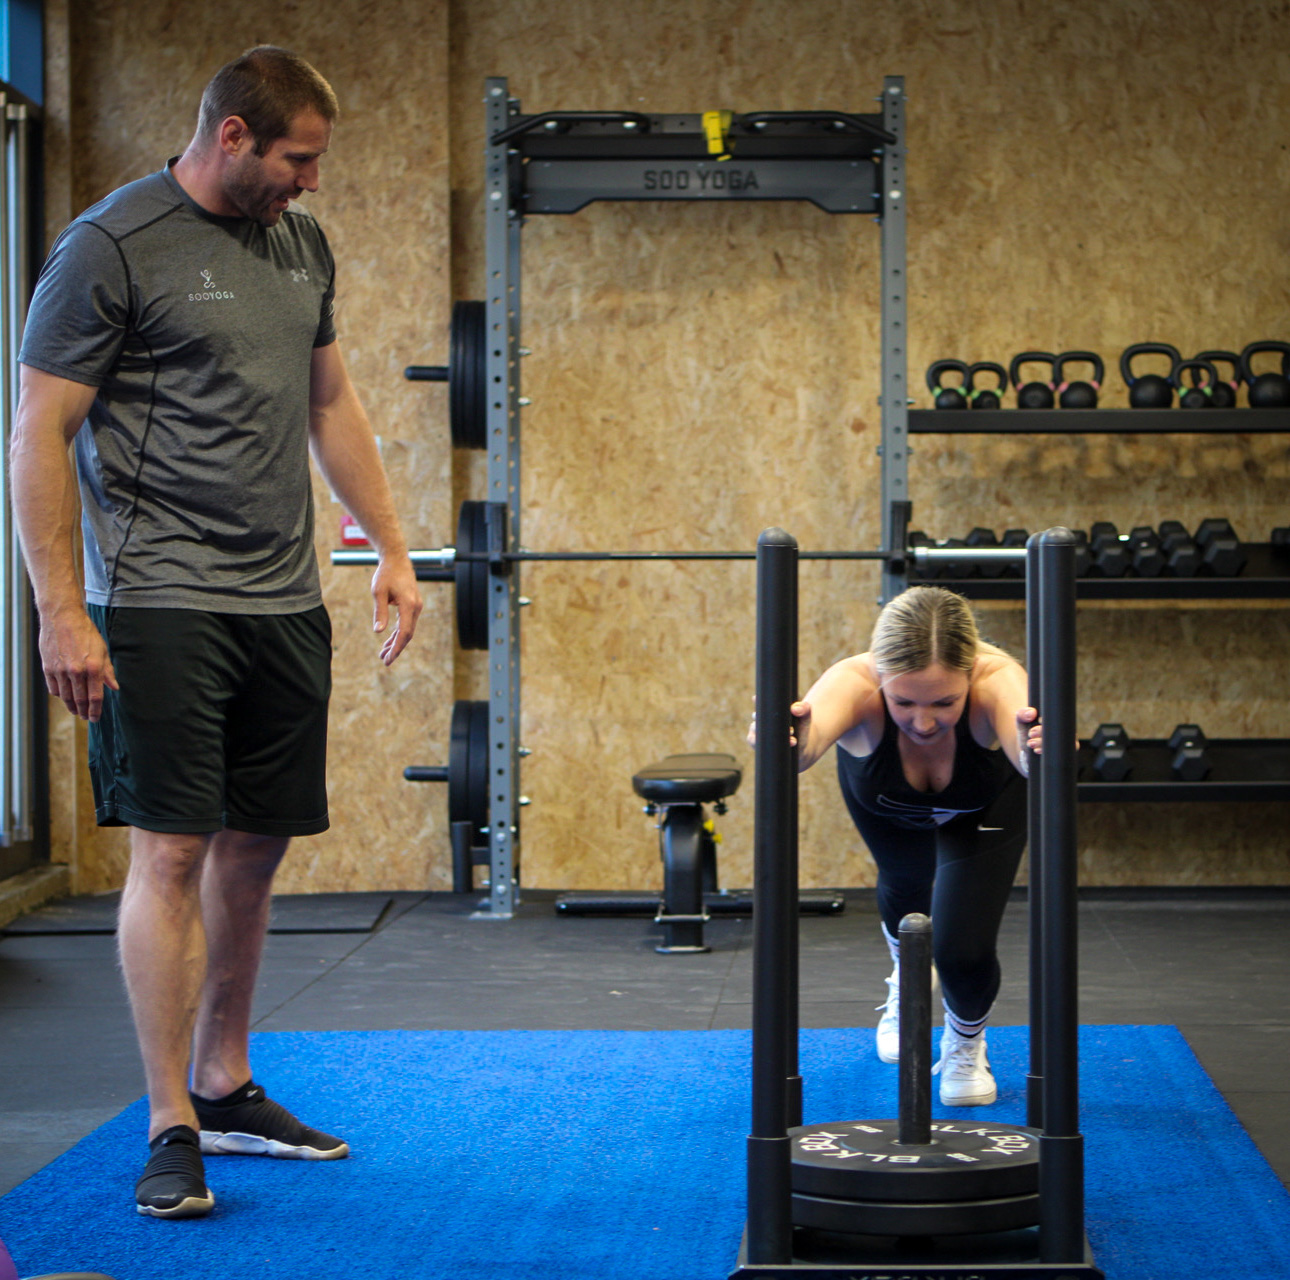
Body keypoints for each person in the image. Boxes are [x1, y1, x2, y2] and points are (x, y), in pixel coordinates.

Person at [11, 47, 423, 1218]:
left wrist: (387, 549)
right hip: (158, 597)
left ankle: (226, 1078)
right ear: (233, 137)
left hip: (282, 598)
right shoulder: (110, 245)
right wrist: (62, 608)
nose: (310, 182)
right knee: (174, 849)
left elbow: (328, 400)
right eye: (297, 159)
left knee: (255, 845)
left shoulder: (300, 244)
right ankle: (167, 1120)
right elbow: (37, 432)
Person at [765, 585, 1040, 1107]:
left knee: (960, 947)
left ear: (970, 678)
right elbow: (806, 745)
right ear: (881, 680)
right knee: (904, 886)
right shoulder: (854, 682)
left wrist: (1042, 751)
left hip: (987, 808)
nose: (923, 721)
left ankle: (966, 1043)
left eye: (945, 702)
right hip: (887, 799)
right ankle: (906, 983)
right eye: (903, 701)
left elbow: (1026, 755)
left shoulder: (999, 680)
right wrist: (787, 741)